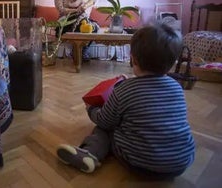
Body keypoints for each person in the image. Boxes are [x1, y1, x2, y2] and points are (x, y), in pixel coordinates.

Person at [56, 23, 195, 178]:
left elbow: (104, 120)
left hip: (140, 163)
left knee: (105, 130)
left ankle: (90, 152)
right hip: (180, 164)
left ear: (133, 59)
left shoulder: (125, 89)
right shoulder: (177, 88)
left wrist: (91, 109)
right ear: (172, 63)